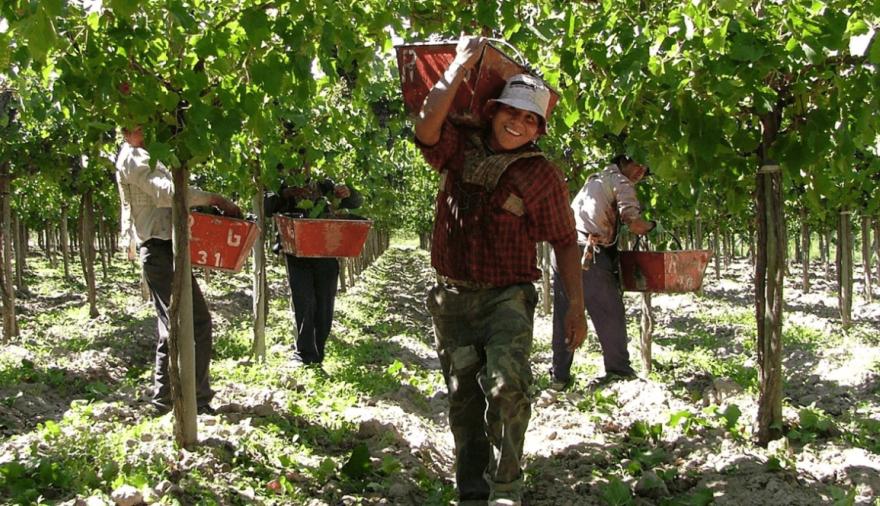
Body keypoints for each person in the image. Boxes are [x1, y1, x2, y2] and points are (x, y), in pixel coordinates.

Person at [414, 36, 587, 506]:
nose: (519, 123)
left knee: (508, 388)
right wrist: (459, 65)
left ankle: (506, 485)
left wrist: (576, 308)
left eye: (531, 119)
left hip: (507, 298)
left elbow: (565, 241)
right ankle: (472, 490)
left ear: (539, 130)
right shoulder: (459, 148)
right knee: (463, 398)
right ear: (492, 112)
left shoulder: (540, 175)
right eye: (512, 112)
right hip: (452, 299)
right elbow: (426, 128)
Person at [115, 125, 241, 415]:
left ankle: (168, 400)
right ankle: (192, 401)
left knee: (174, 324)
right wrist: (215, 199)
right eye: (135, 127)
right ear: (125, 131)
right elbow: (166, 193)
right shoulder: (134, 156)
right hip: (158, 249)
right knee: (192, 322)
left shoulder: (149, 153)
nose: (143, 131)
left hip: (166, 247)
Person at [550, 154, 656, 389]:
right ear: (624, 161)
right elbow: (634, 224)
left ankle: (559, 376)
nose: (640, 174)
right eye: (639, 166)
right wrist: (654, 227)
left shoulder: (595, 179)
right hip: (588, 253)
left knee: (564, 312)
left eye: (645, 172)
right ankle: (619, 370)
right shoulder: (621, 182)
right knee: (609, 310)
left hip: (563, 251)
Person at [264, 174, 363, 366]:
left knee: (325, 303)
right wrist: (286, 193)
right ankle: (304, 353)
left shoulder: (325, 181)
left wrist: (347, 193)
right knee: (304, 300)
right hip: (296, 249)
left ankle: (318, 352)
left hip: (325, 247)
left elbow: (356, 202)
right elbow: (267, 207)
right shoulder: (281, 175)